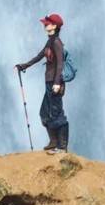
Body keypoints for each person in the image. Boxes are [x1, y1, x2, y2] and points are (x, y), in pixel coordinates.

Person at [15, 13, 69, 152]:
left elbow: (60, 64)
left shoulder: (56, 43)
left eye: (48, 23)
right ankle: (53, 141)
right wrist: (23, 66)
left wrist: (57, 83)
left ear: (54, 26)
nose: (45, 25)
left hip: (55, 83)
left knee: (57, 114)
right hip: (49, 82)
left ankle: (62, 147)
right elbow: (39, 56)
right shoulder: (50, 41)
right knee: (44, 112)